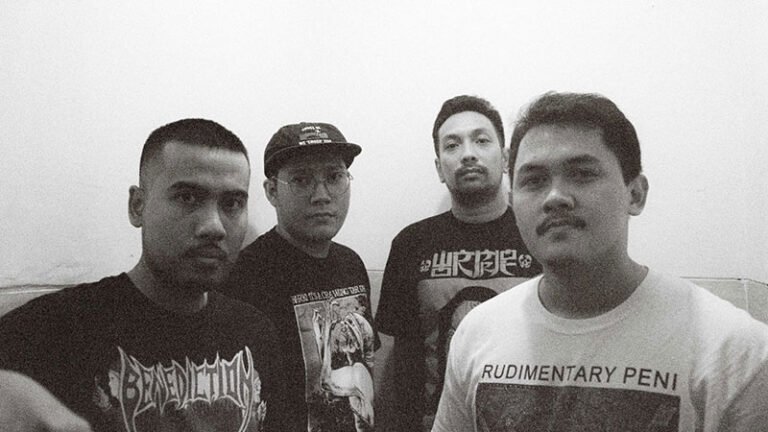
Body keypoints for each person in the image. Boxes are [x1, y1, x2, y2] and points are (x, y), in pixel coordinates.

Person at [433, 92, 768, 431]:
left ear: (635, 194)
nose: (555, 197)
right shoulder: (476, 333)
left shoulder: (734, 352)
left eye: (582, 174)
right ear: (513, 201)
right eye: (534, 181)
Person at [0, 119, 287, 432]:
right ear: (137, 206)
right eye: (187, 198)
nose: (214, 226)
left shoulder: (255, 332)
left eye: (232, 203)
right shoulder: (59, 330)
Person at [374, 95, 541, 431]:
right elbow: (398, 359)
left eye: (481, 140)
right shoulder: (411, 243)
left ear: (506, 159)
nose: (468, 153)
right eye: (452, 145)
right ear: (439, 168)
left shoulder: (538, 233)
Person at [222, 122, 376, 432]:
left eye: (334, 177)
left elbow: (367, 362)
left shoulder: (351, 264)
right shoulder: (244, 275)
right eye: (301, 180)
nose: (322, 195)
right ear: (272, 191)